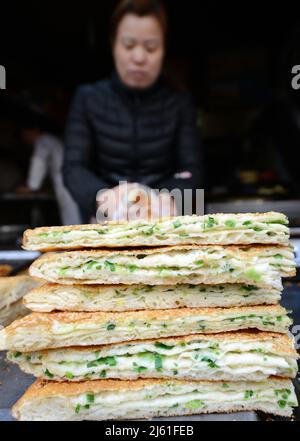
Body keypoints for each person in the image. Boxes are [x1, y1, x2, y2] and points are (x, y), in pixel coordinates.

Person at [64, 0, 203, 223]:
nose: (139, 58)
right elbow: (74, 168)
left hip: (163, 220)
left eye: (150, 47)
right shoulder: (87, 98)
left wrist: (166, 199)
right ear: (113, 45)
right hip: (103, 221)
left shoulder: (180, 102)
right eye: (129, 45)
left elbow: (192, 168)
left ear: (164, 49)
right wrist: (103, 197)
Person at [17, 125, 82, 225]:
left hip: (64, 180)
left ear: (34, 130)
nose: (26, 139)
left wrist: (31, 186)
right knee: (73, 212)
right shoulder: (51, 139)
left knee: (70, 214)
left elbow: (38, 162)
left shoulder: (43, 140)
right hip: (70, 177)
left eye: (26, 135)